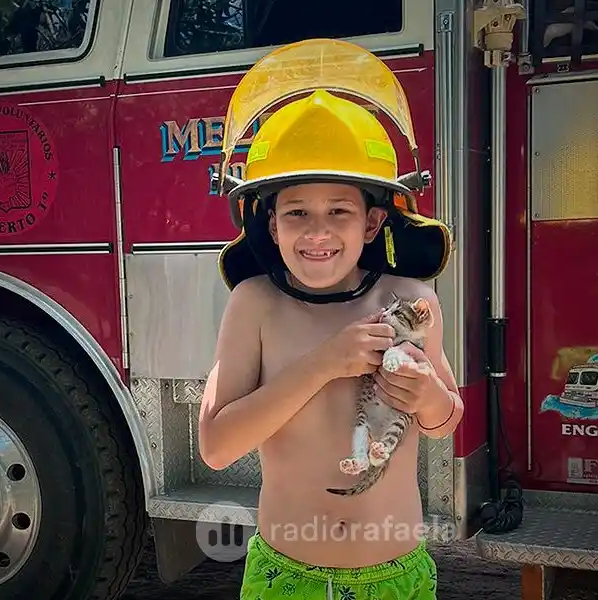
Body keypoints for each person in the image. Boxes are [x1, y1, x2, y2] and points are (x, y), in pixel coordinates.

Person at [198, 41, 463, 600]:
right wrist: (323, 364)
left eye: (338, 212)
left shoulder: (411, 298)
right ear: (271, 225)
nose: (317, 233)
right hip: (287, 577)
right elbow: (217, 447)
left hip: (396, 577)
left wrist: (424, 393)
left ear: (371, 223)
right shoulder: (256, 304)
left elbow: (445, 422)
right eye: (297, 213)